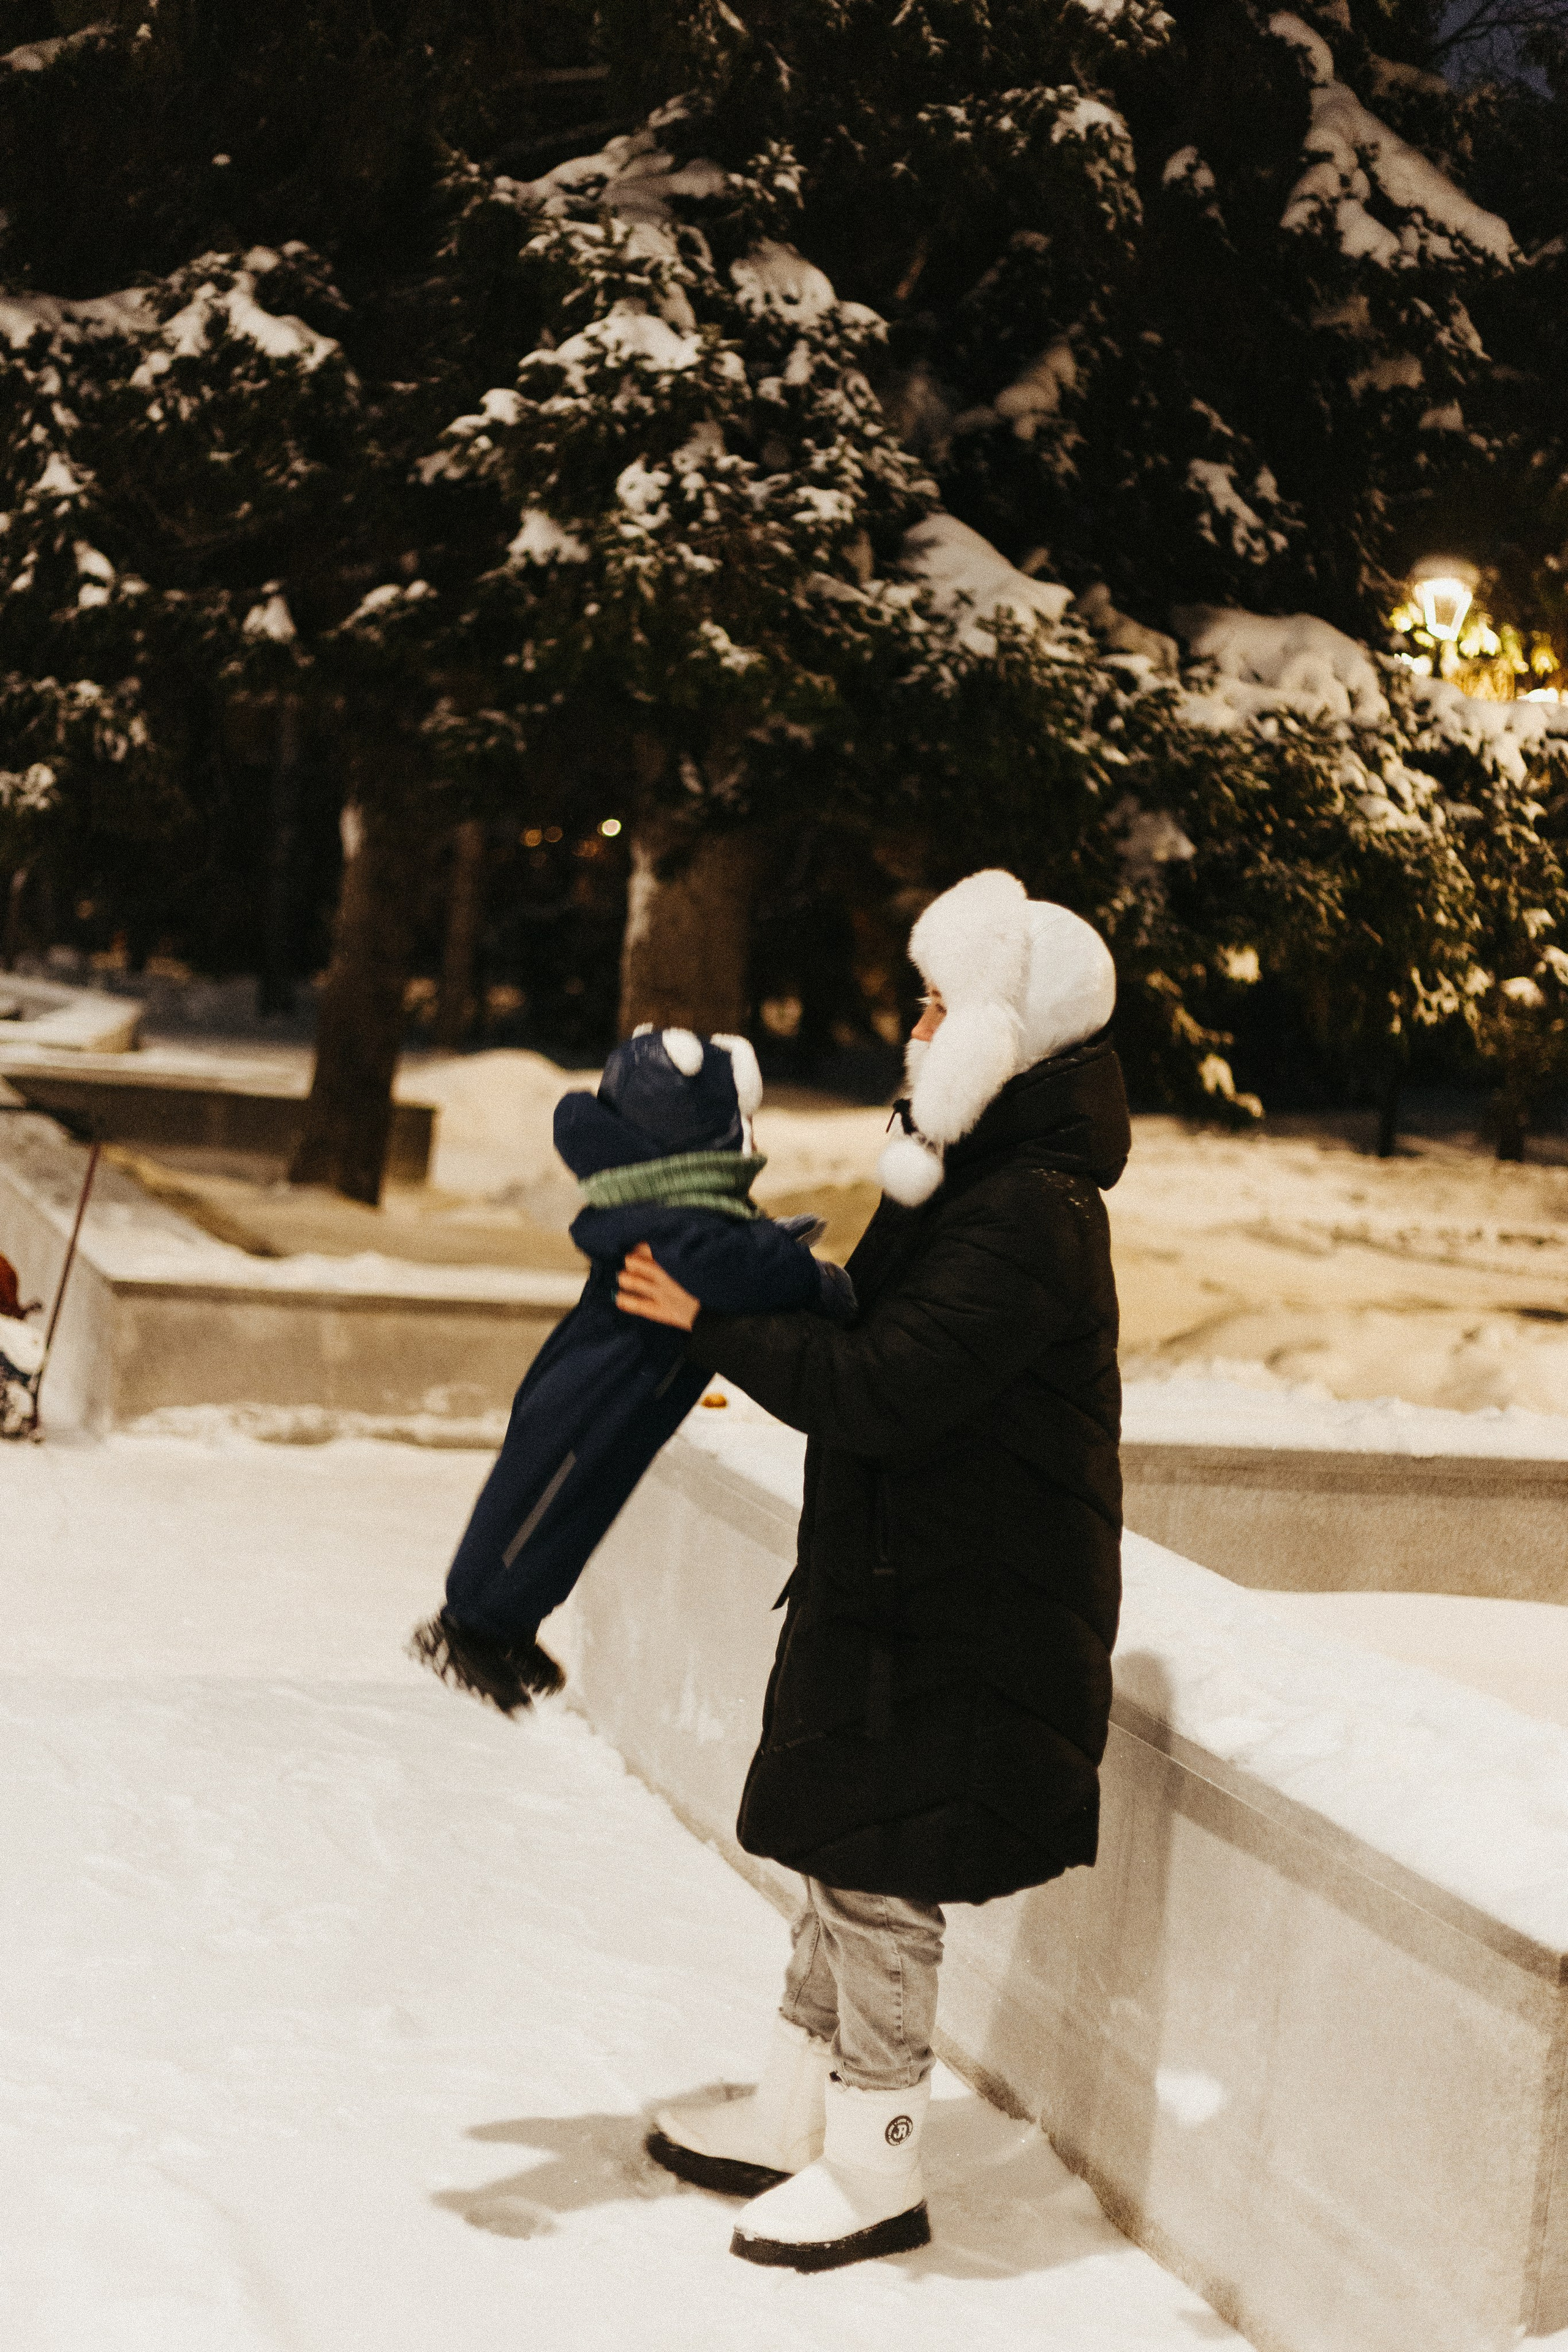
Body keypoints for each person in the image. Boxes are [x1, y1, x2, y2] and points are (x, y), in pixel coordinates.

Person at [617, 869, 1128, 2274]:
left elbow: (887, 1386)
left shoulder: (1026, 1206)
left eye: (937, 1003)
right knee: (842, 1854)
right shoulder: (975, 1176)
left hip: (965, 1614)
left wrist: (708, 1313)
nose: (911, 1024)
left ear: (1004, 1037)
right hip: (916, 1586)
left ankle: (874, 2158)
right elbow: (878, 1331)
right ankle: (794, 2110)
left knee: (880, 1877)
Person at [410, 1026, 854, 1714]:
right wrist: (818, 1281)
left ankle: (510, 1623)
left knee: (576, 1513)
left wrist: (774, 1244)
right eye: (743, 1126)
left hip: (622, 1393)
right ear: (698, 1134)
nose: (756, 1146)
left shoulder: (677, 1210)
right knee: (541, 1500)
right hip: (595, 1394)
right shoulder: (677, 1224)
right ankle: (467, 1628)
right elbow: (744, 1268)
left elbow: (735, 1251)